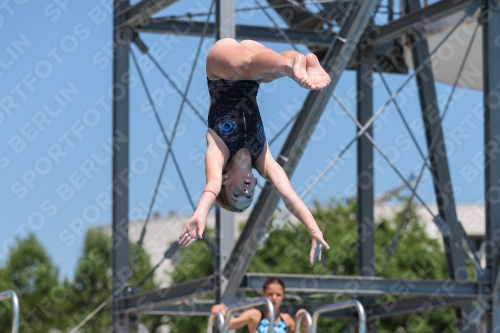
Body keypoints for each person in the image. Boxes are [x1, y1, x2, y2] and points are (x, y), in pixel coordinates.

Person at [178, 38, 330, 266]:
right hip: (253, 75)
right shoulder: (263, 159)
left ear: (225, 180)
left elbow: (210, 186)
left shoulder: (219, 150)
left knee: (251, 66)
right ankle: (300, 63)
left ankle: (291, 66)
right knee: (268, 72)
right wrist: (314, 229)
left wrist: (200, 215)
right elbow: (289, 197)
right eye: (248, 196)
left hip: (223, 68)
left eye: (237, 194)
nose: (245, 192)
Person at [211, 277, 309, 333]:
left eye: (278, 295)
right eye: (270, 294)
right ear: (263, 295)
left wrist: (305, 325)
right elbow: (226, 326)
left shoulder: (286, 319)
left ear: (283, 296)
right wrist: (221, 312)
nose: (274, 298)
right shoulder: (254, 315)